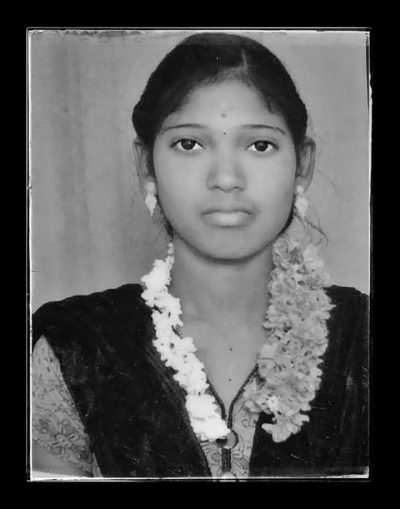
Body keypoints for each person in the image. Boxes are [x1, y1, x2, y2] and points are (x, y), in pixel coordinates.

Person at [31, 31, 369, 480]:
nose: (226, 178)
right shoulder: (72, 348)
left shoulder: (362, 338)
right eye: (189, 144)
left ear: (302, 164)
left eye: (260, 145)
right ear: (146, 165)